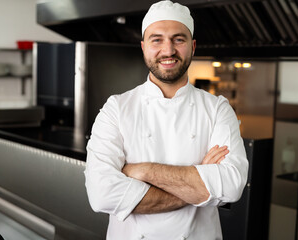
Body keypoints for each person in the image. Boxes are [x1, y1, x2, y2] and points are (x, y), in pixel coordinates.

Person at [84, 0, 248, 239]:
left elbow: (231, 186)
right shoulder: (116, 109)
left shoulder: (218, 109)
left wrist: (142, 171)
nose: (168, 50)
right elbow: (101, 195)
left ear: (192, 46)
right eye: (157, 39)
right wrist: (201, 180)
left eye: (178, 39)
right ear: (143, 46)